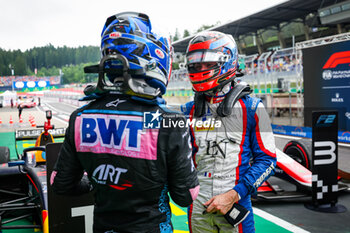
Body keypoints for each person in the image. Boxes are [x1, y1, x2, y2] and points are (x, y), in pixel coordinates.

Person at [51, 12, 199, 233]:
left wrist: (97, 181)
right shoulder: (171, 121)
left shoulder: (80, 117)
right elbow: (186, 195)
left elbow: (60, 183)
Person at [181, 31, 277, 232]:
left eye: (209, 63)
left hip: (236, 203)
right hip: (197, 207)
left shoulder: (253, 108)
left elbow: (267, 160)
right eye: (196, 65)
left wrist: (233, 194)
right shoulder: (187, 111)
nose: (201, 69)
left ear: (227, 61)